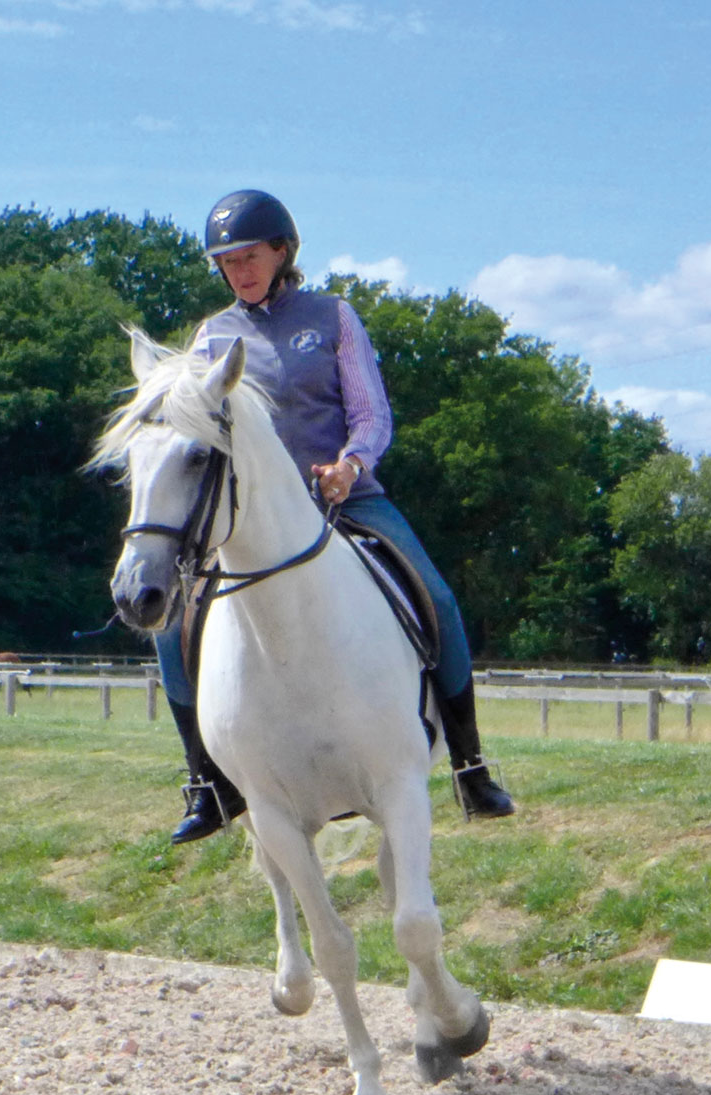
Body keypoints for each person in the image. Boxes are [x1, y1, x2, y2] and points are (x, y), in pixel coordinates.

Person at [157, 189, 514, 844]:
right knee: (170, 630)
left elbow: (372, 413)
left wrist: (350, 464)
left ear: (282, 251)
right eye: (227, 261)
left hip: (347, 496)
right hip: (251, 516)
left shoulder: (333, 317)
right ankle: (206, 785)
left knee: (438, 596)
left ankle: (470, 764)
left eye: (250, 255)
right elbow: (200, 436)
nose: (240, 270)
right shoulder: (211, 338)